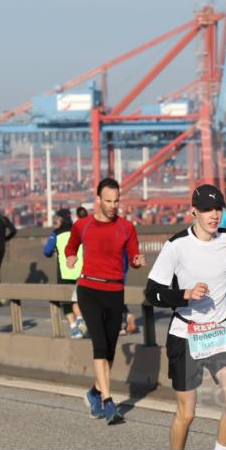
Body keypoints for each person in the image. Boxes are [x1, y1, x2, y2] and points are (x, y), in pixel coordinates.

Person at [144, 184, 226, 450]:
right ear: (193, 211)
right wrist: (184, 294)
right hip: (185, 335)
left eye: (218, 208)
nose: (214, 215)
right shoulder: (176, 246)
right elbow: (152, 293)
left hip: (219, 331)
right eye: (207, 210)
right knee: (187, 413)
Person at [66, 178, 145, 424]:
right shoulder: (82, 225)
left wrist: (137, 261)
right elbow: (71, 246)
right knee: (100, 345)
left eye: (116, 201)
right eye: (108, 201)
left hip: (114, 291)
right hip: (88, 289)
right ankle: (108, 402)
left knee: (109, 348)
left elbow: (132, 255)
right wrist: (70, 258)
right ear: (97, 199)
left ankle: (94, 393)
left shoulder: (126, 228)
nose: (113, 206)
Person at [44, 208, 86, 338]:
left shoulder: (55, 234)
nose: (55, 221)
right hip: (81, 271)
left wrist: (53, 250)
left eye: (56, 219)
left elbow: (46, 252)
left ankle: (74, 329)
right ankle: (80, 318)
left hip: (65, 272)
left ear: (60, 219)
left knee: (65, 301)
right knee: (76, 298)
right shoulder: (78, 231)